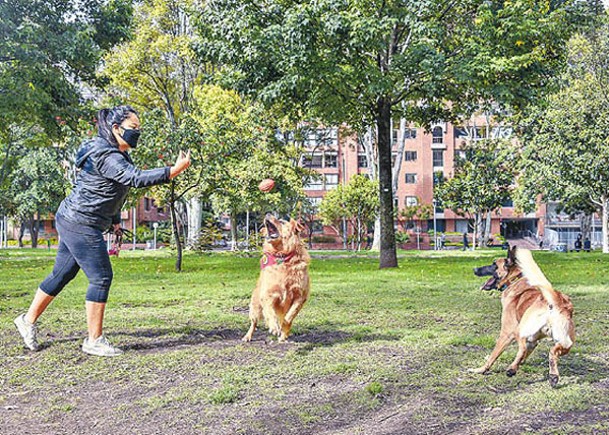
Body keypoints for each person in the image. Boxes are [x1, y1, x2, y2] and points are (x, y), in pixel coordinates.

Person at [14, 105, 191, 357]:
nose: (137, 133)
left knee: (61, 274)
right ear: (116, 128)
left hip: (75, 218)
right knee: (101, 277)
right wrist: (172, 171)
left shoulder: (116, 151)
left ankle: (27, 320)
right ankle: (94, 340)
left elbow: (113, 190)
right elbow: (135, 179)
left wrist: (116, 220)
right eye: (134, 128)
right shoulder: (107, 155)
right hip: (81, 222)